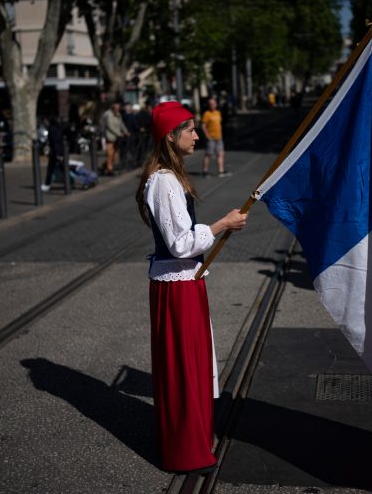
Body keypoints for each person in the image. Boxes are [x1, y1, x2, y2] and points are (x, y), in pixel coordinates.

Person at [135, 101, 247, 474]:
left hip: (185, 282)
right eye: (190, 129)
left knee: (192, 366)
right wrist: (222, 225)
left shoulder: (170, 176)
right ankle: (186, 448)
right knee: (184, 368)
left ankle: (194, 438)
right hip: (177, 286)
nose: (198, 135)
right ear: (171, 135)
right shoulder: (164, 181)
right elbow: (181, 243)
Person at [201, 97, 230, 177]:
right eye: (210, 104)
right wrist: (207, 136)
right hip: (211, 138)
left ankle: (221, 171)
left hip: (219, 137)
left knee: (220, 154)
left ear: (216, 104)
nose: (212, 105)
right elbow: (203, 126)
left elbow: (219, 124)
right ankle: (205, 171)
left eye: (213, 104)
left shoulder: (218, 113)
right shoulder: (207, 114)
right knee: (208, 154)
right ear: (208, 105)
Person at [101, 100, 129, 176]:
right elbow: (110, 126)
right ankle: (109, 169)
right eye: (116, 108)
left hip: (117, 138)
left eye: (118, 108)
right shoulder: (108, 115)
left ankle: (104, 167)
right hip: (110, 137)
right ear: (113, 108)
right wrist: (119, 133)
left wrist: (126, 131)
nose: (117, 109)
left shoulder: (118, 114)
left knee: (114, 155)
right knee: (110, 154)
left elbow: (121, 124)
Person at [41, 117, 65, 192]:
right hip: (59, 151)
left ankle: (47, 184)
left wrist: (58, 154)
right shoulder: (58, 128)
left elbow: (55, 142)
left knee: (51, 169)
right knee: (63, 168)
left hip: (55, 152)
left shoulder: (52, 129)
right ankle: (68, 182)